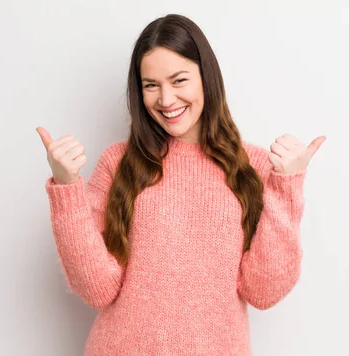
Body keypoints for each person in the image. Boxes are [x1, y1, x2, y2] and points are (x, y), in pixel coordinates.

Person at [36, 13, 325, 356]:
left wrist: (286, 187)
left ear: (206, 77)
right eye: (151, 85)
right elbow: (97, 289)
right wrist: (68, 190)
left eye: (179, 80)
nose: (166, 99)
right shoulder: (119, 162)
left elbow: (264, 291)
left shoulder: (254, 167)